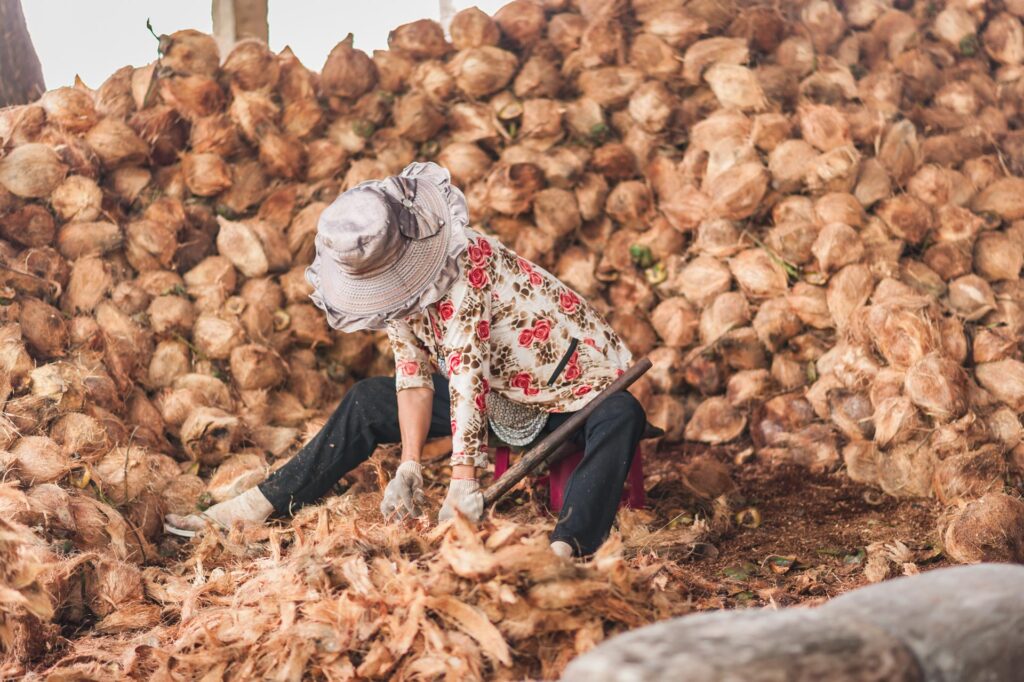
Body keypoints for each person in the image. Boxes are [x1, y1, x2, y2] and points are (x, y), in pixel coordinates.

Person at [165, 161, 647, 558]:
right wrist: (409, 465)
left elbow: (465, 372)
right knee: (367, 401)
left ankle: (568, 547)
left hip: (565, 390)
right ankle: (258, 503)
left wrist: (463, 480)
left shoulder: (464, 263)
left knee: (622, 412)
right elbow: (413, 375)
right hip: (494, 396)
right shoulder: (393, 283)